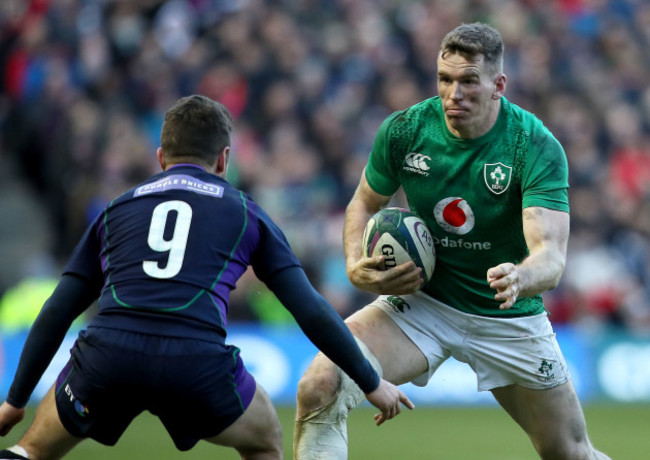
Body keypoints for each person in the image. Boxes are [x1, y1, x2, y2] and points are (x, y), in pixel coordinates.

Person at [0, 95, 413, 460]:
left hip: (109, 356)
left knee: (31, 450)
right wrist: (370, 381)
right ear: (224, 160)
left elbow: (57, 309)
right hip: (193, 361)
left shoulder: (115, 211)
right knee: (265, 440)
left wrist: (15, 400)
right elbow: (311, 309)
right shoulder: (245, 213)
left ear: (161, 157)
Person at [294, 23, 610, 460]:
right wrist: (352, 261)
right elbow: (363, 203)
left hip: (508, 317)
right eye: (445, 79)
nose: (453, 93)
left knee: (569, 453)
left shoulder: (533, 145)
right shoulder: (406, 131)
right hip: (424, 304)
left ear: (499, 85)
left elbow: (551, 257)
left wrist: (520, 277)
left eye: (468, 82)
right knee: (319, 387)